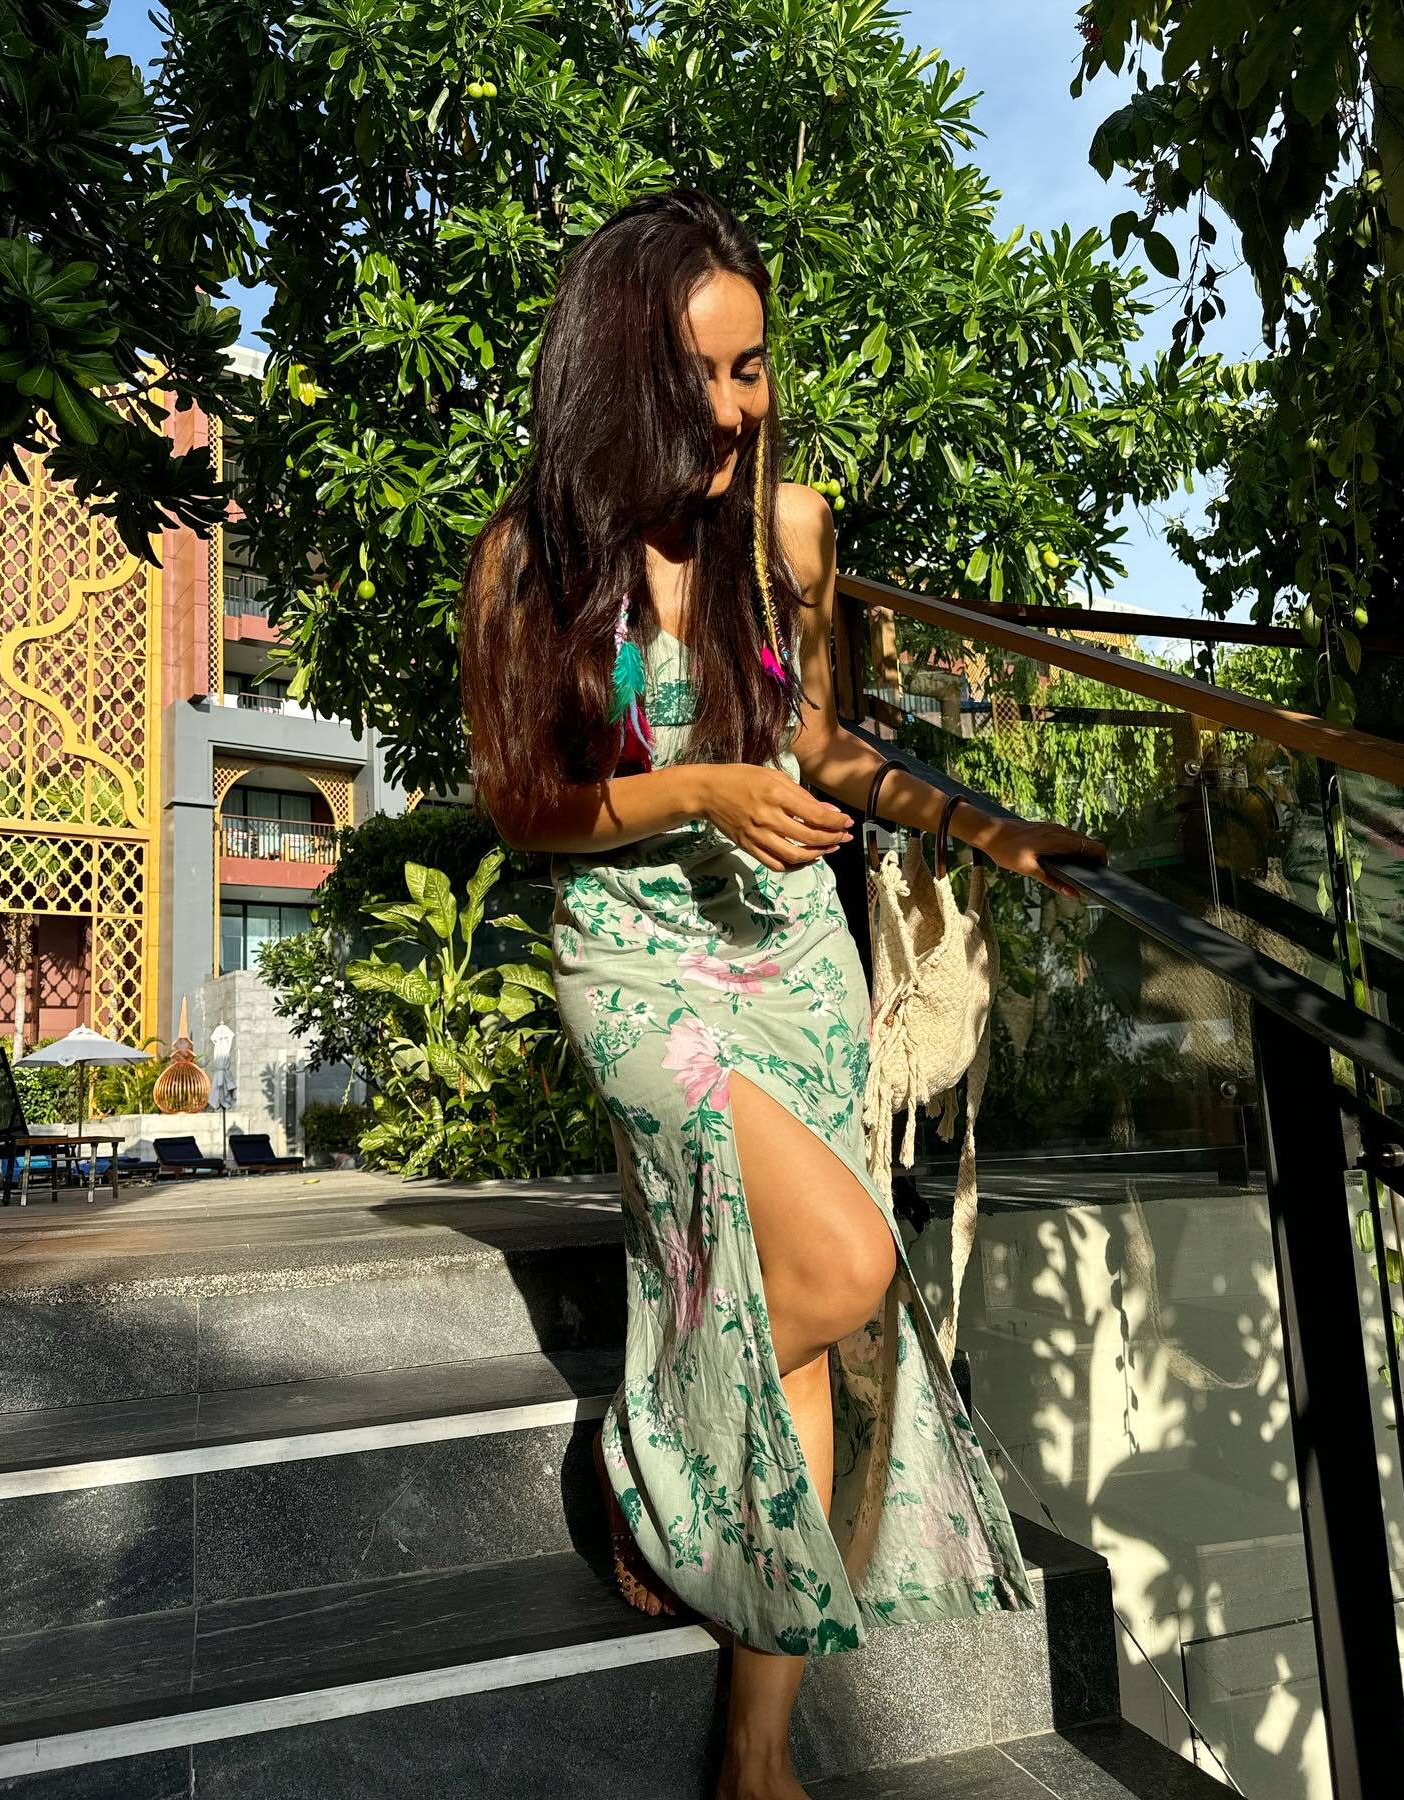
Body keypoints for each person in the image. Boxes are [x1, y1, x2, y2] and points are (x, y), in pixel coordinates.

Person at [461, 188, 1108, 1800]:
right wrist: (699, 791)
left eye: (753, 369)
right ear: (622, 374)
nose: (741, 406)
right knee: (840, 1265)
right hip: (636, 961)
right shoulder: (529, 560)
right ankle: (648, 1463)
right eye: (704, 374)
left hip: (790, 957)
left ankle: (758, 1753)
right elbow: (525, 811)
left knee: (803, 1317)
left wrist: (987, 828)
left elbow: (819, 747)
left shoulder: (787, 535)